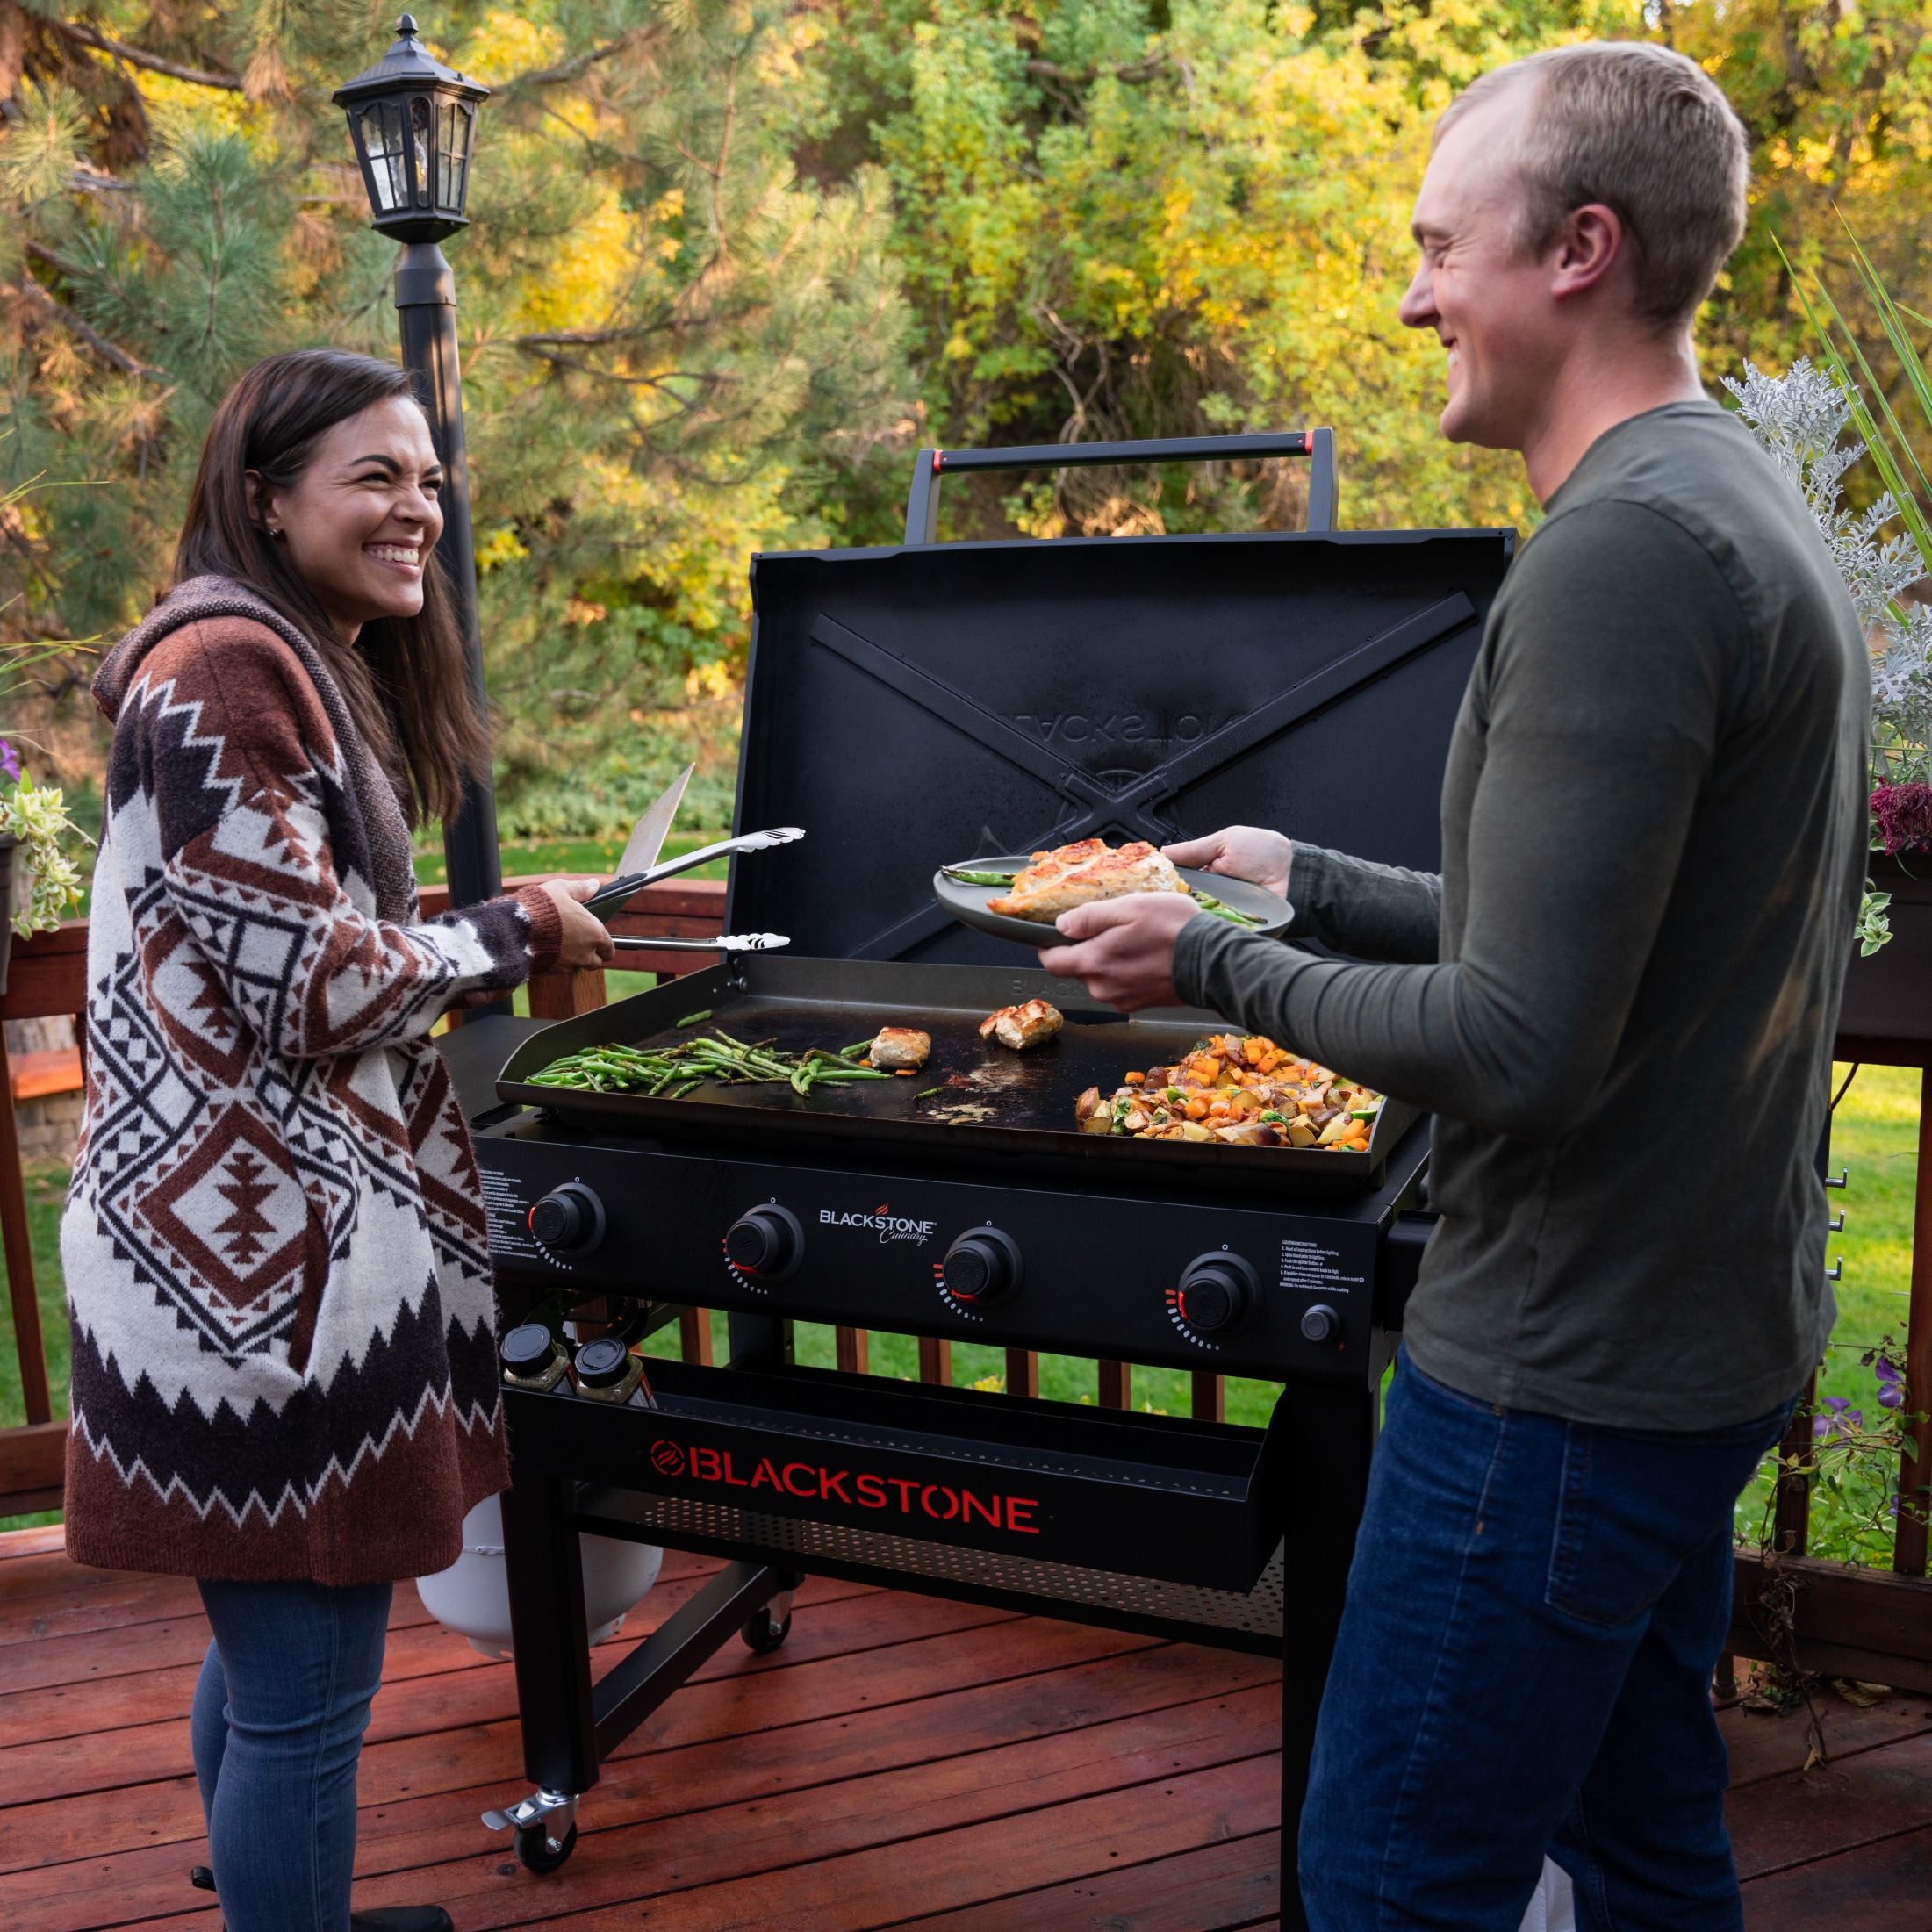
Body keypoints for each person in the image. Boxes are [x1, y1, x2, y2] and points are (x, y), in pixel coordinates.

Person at [1038, 43, 1868, 1932]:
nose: (1412, 293)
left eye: (1437, 246)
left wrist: (1210, 961)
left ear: (1578, 248)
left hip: (1559, 1381)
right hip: (1688, 1340)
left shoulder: (1626, 555)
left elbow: (1523, 1044)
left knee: (1393, 1877)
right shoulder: (1720, 501)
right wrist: (1307, 878)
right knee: (1651, 1843)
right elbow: (1596, 945)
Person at [60, 348, 615, 1932]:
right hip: (257, 1297)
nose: (416, 506)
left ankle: (265, 1894)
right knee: (305, 1698)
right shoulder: (232, 670)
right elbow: (309, 989)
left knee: (266, 1668)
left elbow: (271, 945)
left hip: (236, 1270)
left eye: (428, 477)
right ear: (265, 495)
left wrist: (439, 931)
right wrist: (508, 930)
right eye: (375, 475)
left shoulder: (267, 663)